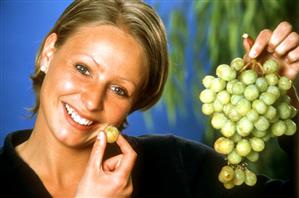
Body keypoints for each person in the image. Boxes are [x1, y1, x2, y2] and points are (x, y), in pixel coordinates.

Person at [0, 0, 298, 197]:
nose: (92, 101)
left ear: (137, 101)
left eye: (119, 90)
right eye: (83, 69)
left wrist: (282, 97)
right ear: (49, 54)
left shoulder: (178, 166)